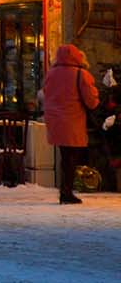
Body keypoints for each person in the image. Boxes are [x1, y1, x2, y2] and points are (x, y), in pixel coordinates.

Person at [43, 42, 100, 204]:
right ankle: (66, 192)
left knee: (65, 156)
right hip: (72, 119)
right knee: (71, 157)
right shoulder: (81, 74)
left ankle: (65, 190)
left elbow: (46, 93)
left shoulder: (51, 73)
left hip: (55, 119)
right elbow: (91, 101)